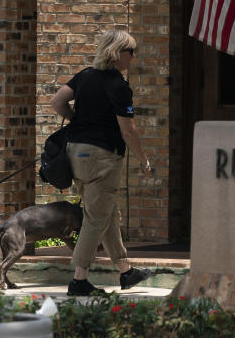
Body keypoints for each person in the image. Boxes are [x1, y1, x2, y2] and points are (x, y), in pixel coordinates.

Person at [50, 29, 153, 296]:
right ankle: (79, 280)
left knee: (108, 213)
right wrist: (144, 160)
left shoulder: (85, 76)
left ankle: (125, 271)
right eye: (131, 52)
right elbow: (128, 131)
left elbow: (57, 101)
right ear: (119, 53)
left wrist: (78, 120)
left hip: (76, 153)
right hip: (102, 157)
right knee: (96, 218)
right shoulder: (118, 86)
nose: (133, 57)